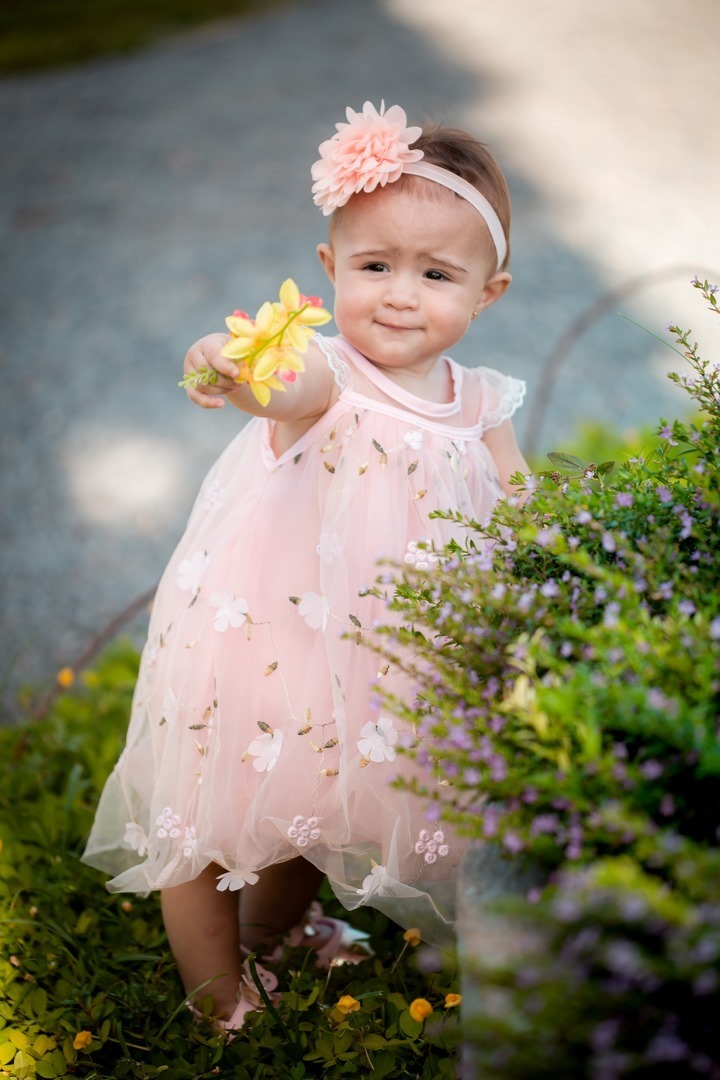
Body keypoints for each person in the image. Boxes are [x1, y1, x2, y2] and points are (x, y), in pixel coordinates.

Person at [82, 101, 529, 1031]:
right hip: (269, 647)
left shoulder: (480, 401)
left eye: (435, 273)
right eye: (375, 266)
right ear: (330, 271)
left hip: (377, 663)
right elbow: (280, 382)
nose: (399, 294)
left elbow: (522, 508)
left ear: (488, 293)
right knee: (218, 814)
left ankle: (273, 939)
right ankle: (218, 1005)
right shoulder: (330, 374)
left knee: (310, 810)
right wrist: (234, 364)